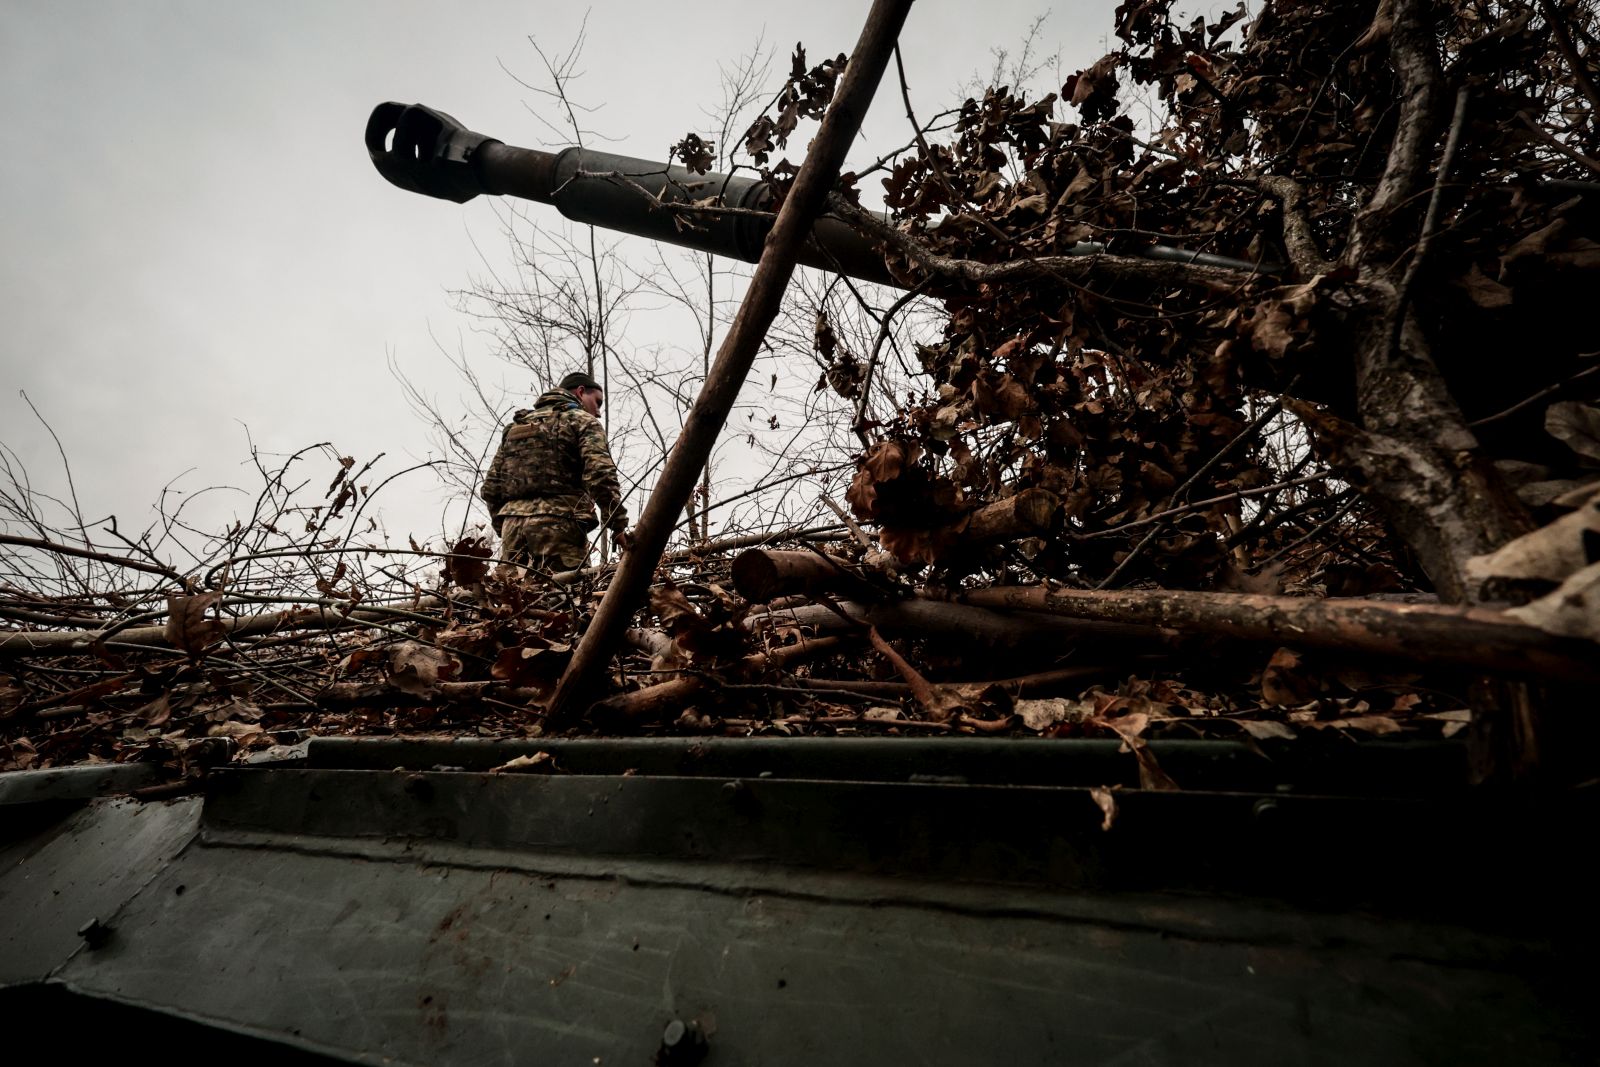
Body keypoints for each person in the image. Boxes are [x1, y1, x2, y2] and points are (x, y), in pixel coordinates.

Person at [481, 371, 629, 575]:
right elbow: (601, 475)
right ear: (580, 392)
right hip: (560, 525)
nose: (598, 412)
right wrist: (617, 525)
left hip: (512, 527)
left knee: (513, 600)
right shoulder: (582, 421)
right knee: (562, 598)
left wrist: (505, 525)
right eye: (598, 402)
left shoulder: (515, 427)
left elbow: (490, 488)